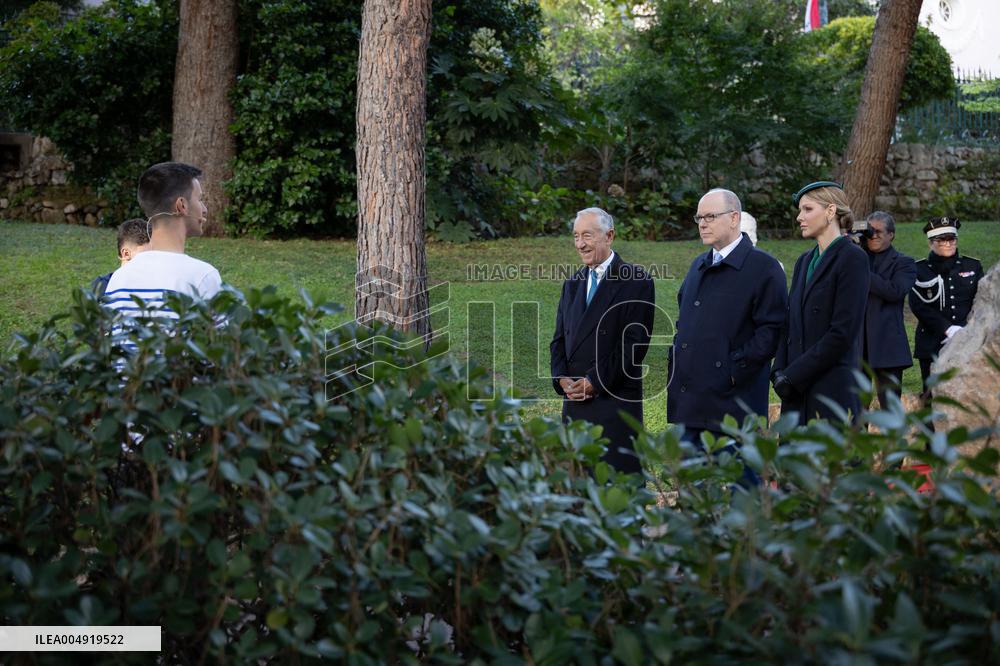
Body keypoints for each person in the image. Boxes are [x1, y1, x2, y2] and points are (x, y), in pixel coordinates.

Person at [668, 189, 786, 479]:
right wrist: (676, 364)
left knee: (743, 498)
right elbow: (685, 323)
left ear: (734, 218)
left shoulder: (765, 268)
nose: (702, 223)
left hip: (736, 406)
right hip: (690, 405)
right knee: (692, 501)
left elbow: (771, 332)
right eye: (699, 217)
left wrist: (731, 372)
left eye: (710, 216)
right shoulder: (698, 265)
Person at [550, 207, 655, 474]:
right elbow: (559, 340)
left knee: (617, 492)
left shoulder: (637, 280)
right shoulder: (572, 283)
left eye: (587, 235)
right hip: (575, 402)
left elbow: (634, 346)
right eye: (575, 236)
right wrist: (561, 378)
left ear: (609, 236)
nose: (580, 244)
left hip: (614, 402)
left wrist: (594, 381)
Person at [771, 181, 870, 426]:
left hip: (831, 389)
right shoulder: (804, 260)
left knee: (827, 463)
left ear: (830, 211)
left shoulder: (853, 258)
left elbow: (842, 332)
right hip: (795, 393)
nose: (799, 217)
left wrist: (793, 375)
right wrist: (778, 370)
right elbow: (790, 321)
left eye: (807, 209)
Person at [104, 162, 222, 318]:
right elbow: (221, 340)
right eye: (199, 200)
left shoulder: (119, 279)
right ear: (182, 206)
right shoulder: (203, 277)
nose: (204, 209)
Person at [908, 217, 984, 393]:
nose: (948, 243)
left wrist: (965, 330)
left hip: (968, 338)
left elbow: (982, 300)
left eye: (952, 239)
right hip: (931, 341)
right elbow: (918, 305)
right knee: (931, 393)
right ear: (930, 243)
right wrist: (948, 329)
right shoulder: (919, 269)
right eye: (941, 240)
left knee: (969, 393)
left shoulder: (972, 265)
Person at [861, 211, 916, 407]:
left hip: (888, 347)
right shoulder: (854, 257)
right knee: (856, 415)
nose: (873, 235)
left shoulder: (904, 263)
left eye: (878, 231)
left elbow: (895, 291)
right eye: (869, 231)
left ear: (891, 234)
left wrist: (859, 268)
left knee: (890, 411)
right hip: (857, 347)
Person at [91, 218, 150, 298]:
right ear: (126, 254)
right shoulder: (103, 286)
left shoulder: (155, 285)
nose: (152, 259)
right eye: (145, 255)